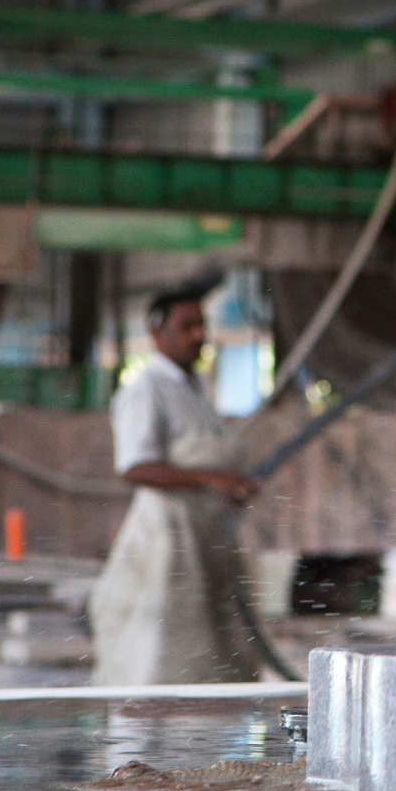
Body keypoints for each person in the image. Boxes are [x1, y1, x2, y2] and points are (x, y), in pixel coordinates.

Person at [87, 274, 263, 685]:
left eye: (202, 326)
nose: (199, 335)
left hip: (202, 538)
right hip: (166, 539)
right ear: (156, 331)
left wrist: (228, 483)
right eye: (187, 327)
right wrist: (210, 478)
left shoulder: (195, 389)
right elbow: (134, 467)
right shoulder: (145, 390)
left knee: (211, 650)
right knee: (158, 653)